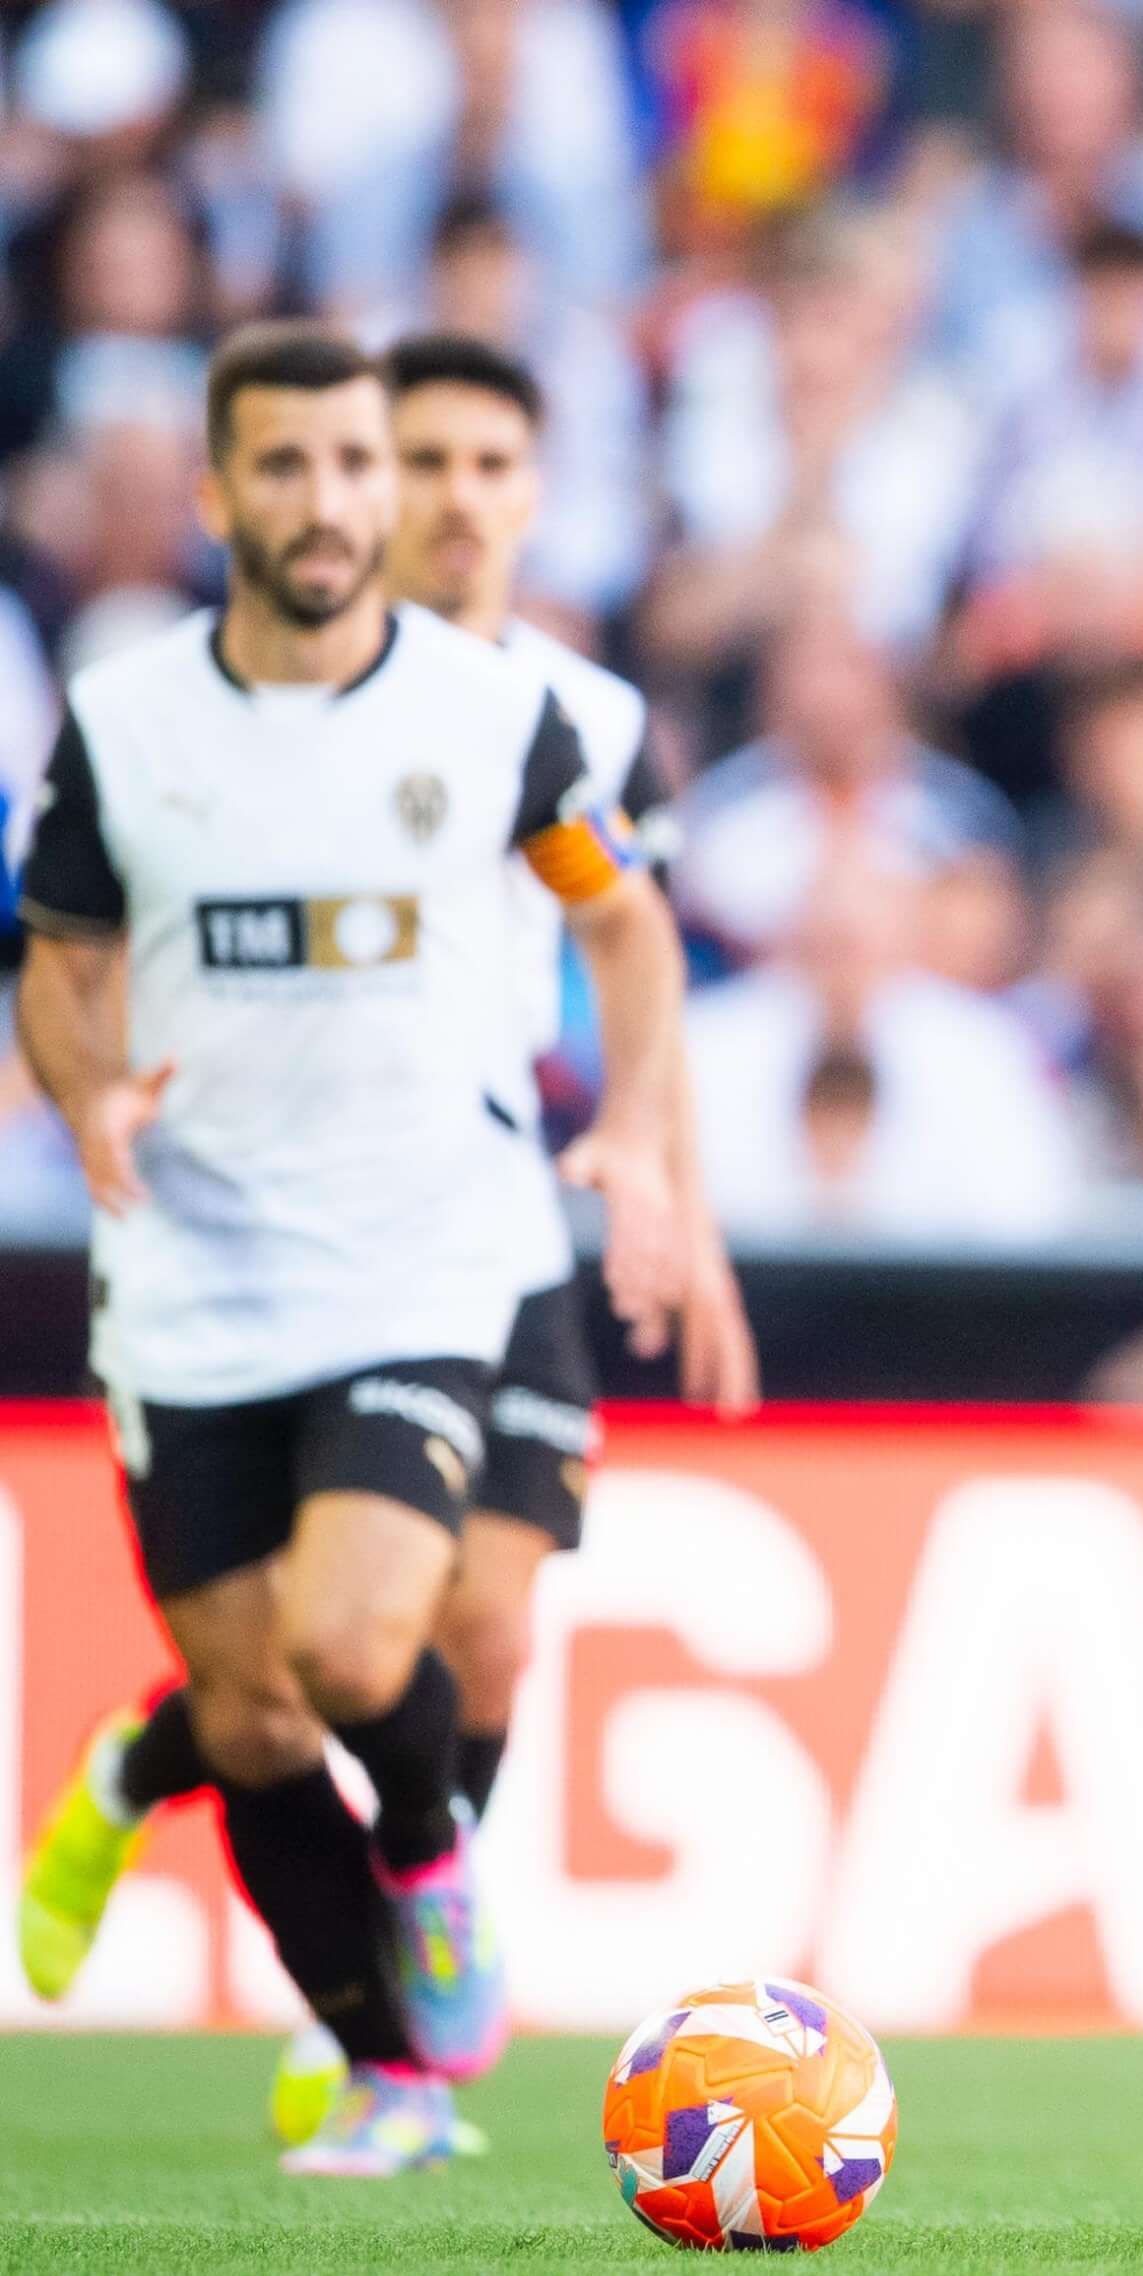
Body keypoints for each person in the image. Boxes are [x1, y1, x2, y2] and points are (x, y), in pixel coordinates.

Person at [25, 332, 766, 2154]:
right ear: (217, 498)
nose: (342, 502)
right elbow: (58, 960)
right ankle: (384, 2069)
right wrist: (84, 1094)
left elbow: (636, 930)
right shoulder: (124, 721)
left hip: (434, 1251)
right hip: (190, 1274)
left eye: (360, 465)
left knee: (386, 1647)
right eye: (292, 468)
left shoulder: (510, 713)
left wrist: (648, 1149)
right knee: (256, 1706)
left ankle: (430, 1862)